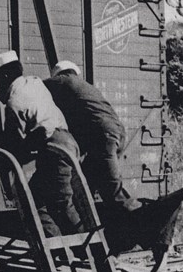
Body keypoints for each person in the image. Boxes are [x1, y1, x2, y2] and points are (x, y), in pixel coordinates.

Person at [0, 50, 82, 237]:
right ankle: (61, 251)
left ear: (5, 76)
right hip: (68, 142)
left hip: (55, 149)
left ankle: (97, 254)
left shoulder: (13, 103)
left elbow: (16, 148)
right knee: (37, 199)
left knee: (60, 204)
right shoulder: (34, 82)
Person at [43, 60, 142, 214]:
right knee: (84, 187)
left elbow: (37, 87)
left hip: (104, 138)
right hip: (115, 135)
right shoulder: (85, 89)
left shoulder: (65, 80)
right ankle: (92, 228)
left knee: (113, 193)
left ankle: (143, 221)